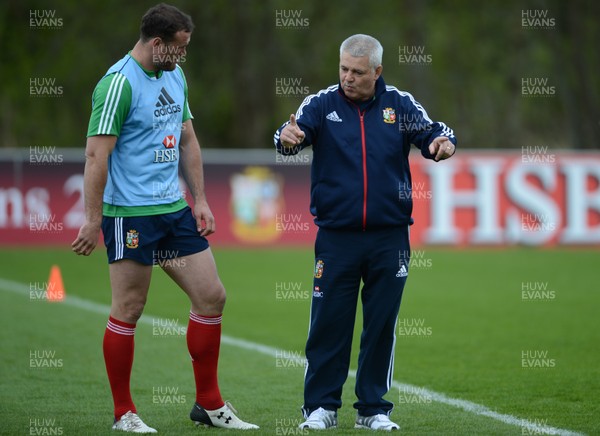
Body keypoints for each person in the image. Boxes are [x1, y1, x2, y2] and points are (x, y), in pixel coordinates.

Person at [71, 3, 258, 433]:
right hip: (131, 216)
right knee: (130, 308)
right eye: (180, 48)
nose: (183, 56)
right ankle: (124, 413)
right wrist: (92, 219)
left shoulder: (175, 74)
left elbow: (188, 139)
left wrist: (201, 199)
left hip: (174, 212)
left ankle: (209, 405)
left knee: (212, 296)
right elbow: (97, 155)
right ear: (157, 44)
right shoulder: (117, 84)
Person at [274, 34, 457, 431]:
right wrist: (286, 139)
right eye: (343, 69)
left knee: (381, 325)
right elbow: (290, 135)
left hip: (389, 237)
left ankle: (373, 409)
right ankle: (320, 407)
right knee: (329, 323)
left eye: (357, 72)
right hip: (336, 238)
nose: (348, 78)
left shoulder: (400, 105)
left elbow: (433, 133)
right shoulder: (321, 104)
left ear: (377, 72)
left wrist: (444, 143)